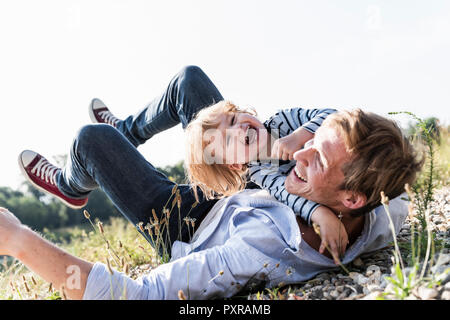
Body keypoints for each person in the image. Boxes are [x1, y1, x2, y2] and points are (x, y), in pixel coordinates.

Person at [4, 66, 422, 300]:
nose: (299, 153)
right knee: (189, 82)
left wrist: (20, 239)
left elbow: (136, 297)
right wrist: (310, 181)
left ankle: (72, 184)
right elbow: (387, 164)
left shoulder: (260, 247)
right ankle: (129, 134)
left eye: (316, 159)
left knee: (91, 141)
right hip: (241, 182)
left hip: (188, 221)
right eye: (311, 143)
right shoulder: (386, 203)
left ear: (350, 197)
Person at [183, 100, 349, 262]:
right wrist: (321, 215)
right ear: (235, 164)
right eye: (227, 140)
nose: (238, 129)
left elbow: (334, 116)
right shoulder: (261, 171)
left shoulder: (281, 122)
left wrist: (298, 136)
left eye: (233, 119)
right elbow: (287, 194)